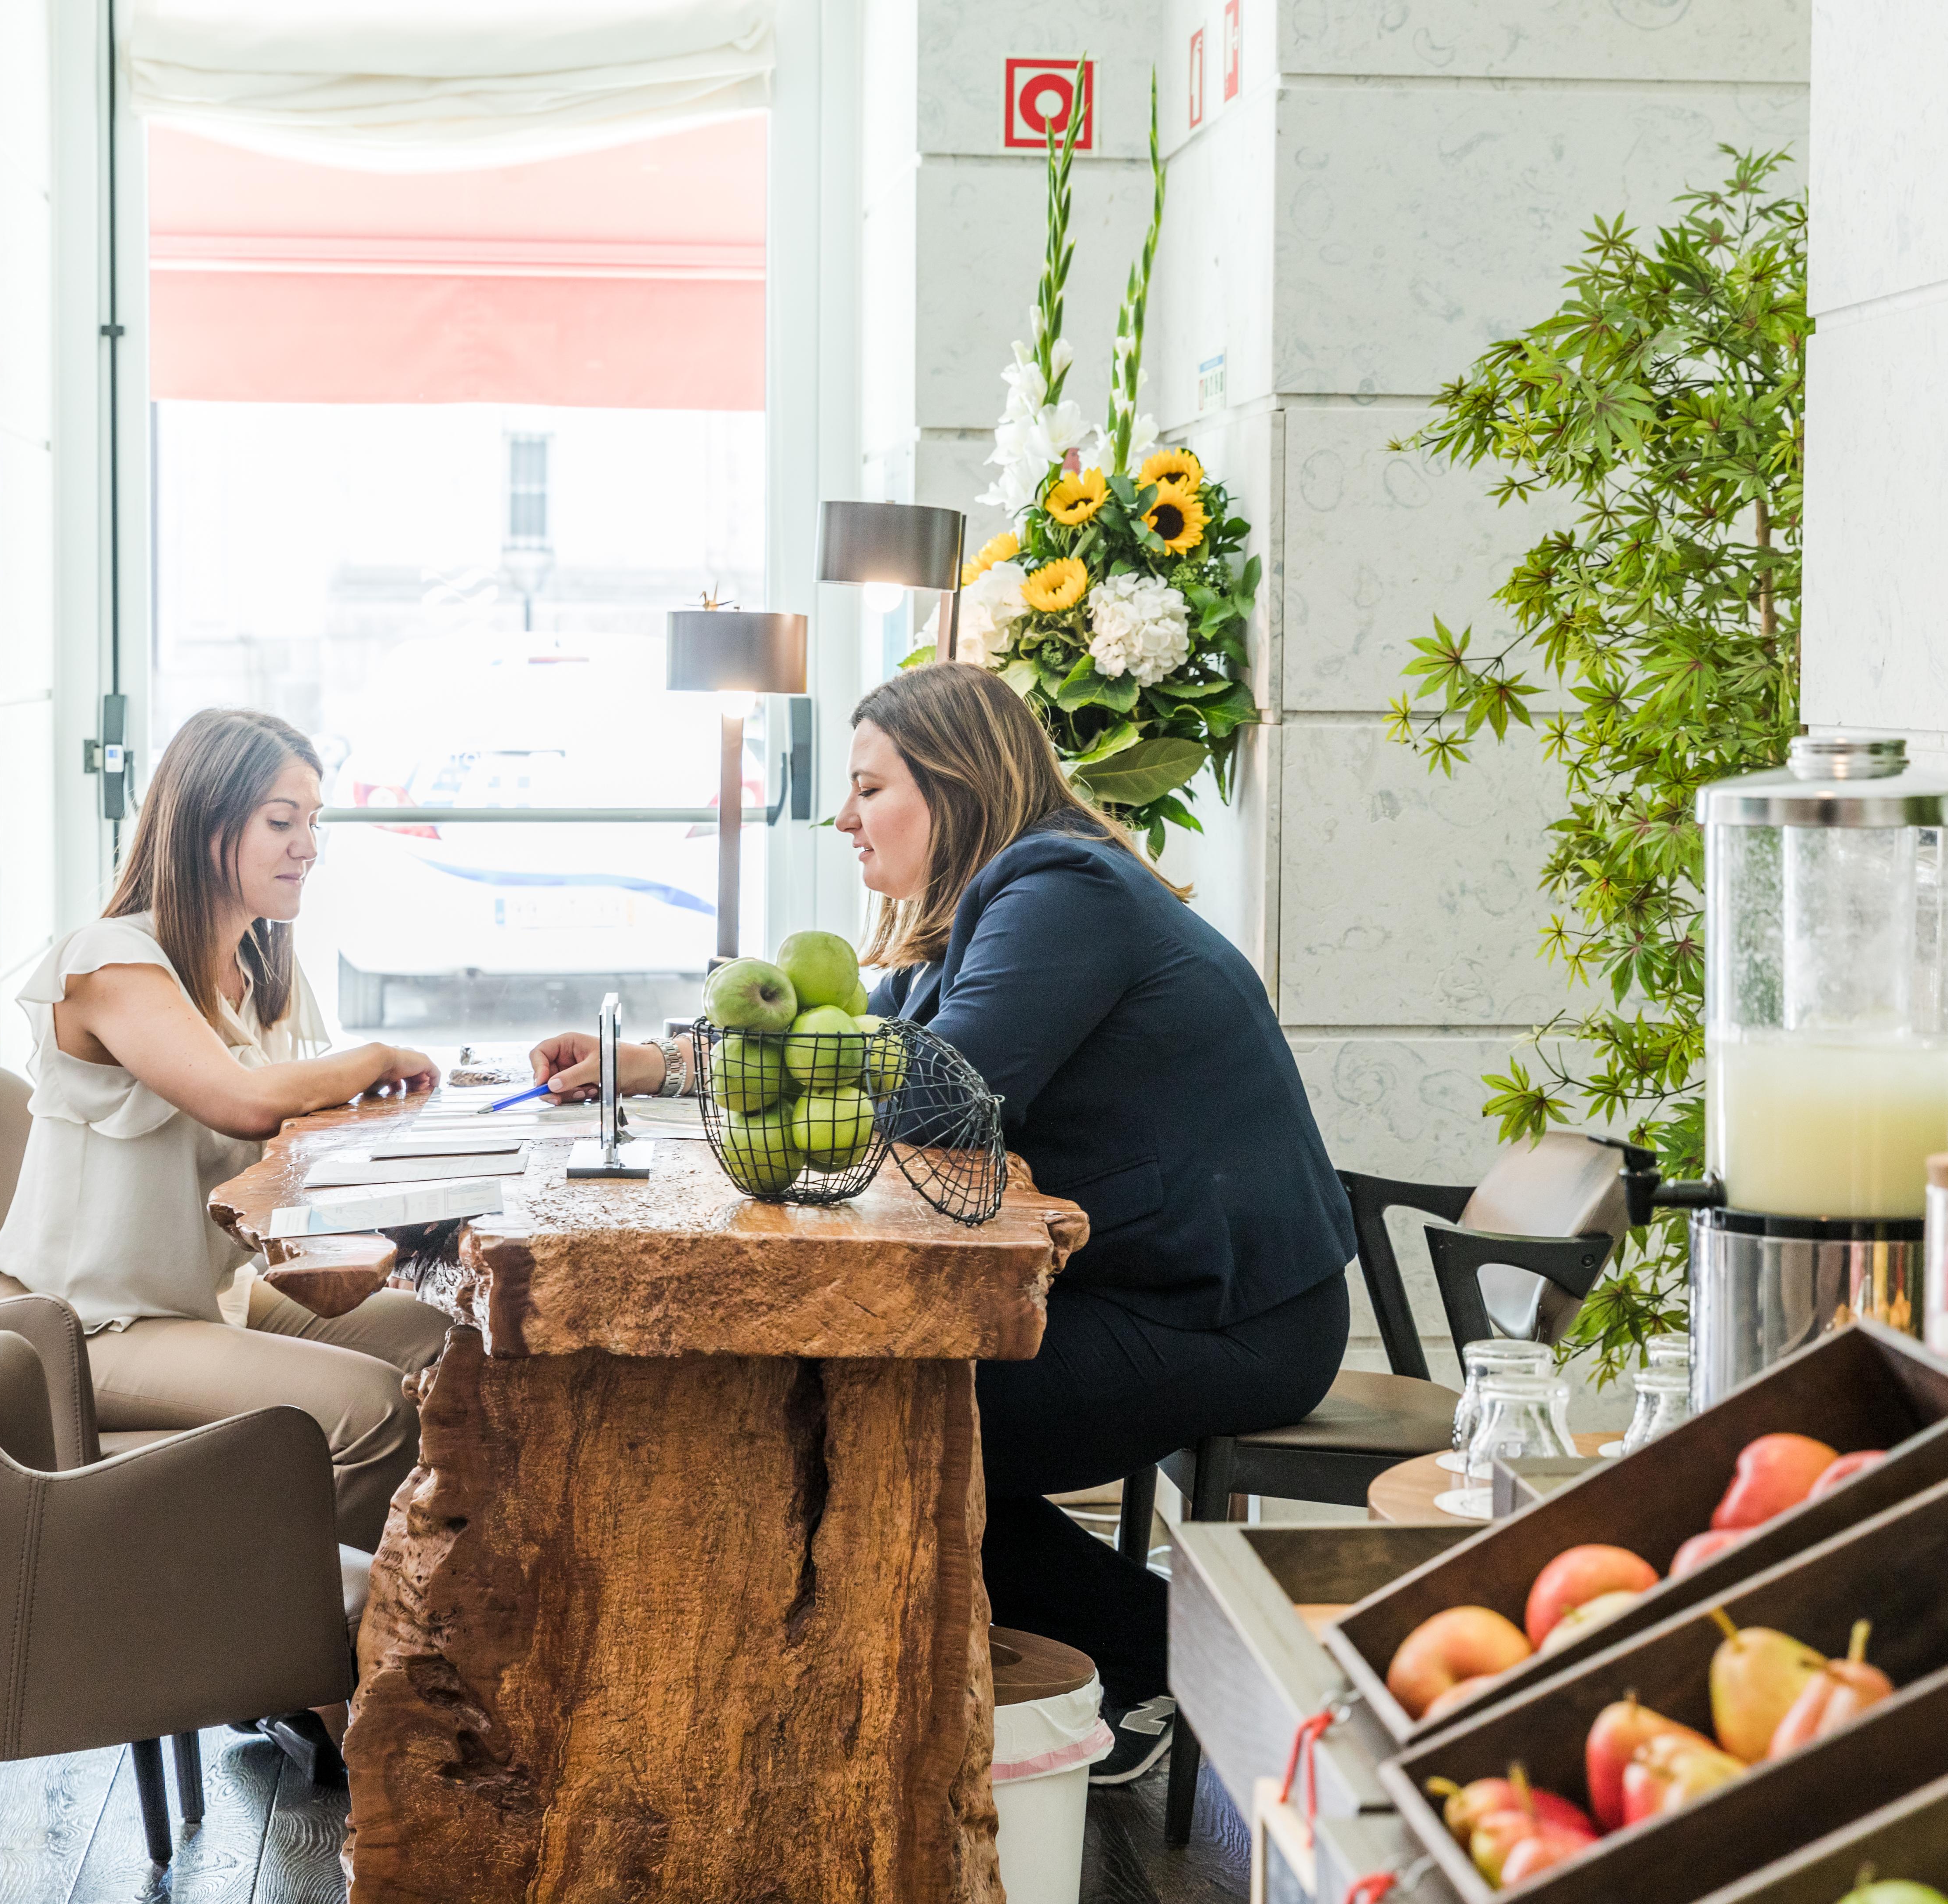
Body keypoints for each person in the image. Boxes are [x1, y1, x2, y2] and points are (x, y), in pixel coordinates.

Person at [527, 662, 1353, 1783]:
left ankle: (1179, 1662)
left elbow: (929, 1093)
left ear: (953, 786)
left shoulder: (1064, 888)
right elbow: (859, 1046)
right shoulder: (989, 907)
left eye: (871, 789)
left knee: (862, 1417)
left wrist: (731, 1072)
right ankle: (1134, 1660)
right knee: (848, 1406)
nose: (844, 816)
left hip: (1232, 1321)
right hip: (1161, 1290)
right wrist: (657, 1064)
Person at [0, 706, 455, 1552]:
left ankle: (426, 1607)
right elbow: (242, 1102)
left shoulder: (256, 970)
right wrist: (376, 1056)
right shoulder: (106, 963)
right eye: (282, 822)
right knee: (376, 1410)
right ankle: (319, 1650)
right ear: (207, 826)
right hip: (89, 1329)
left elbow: (291, 1139)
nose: (307, 846)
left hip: (210, 1302)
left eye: (314, 823)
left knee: (449, 1341)